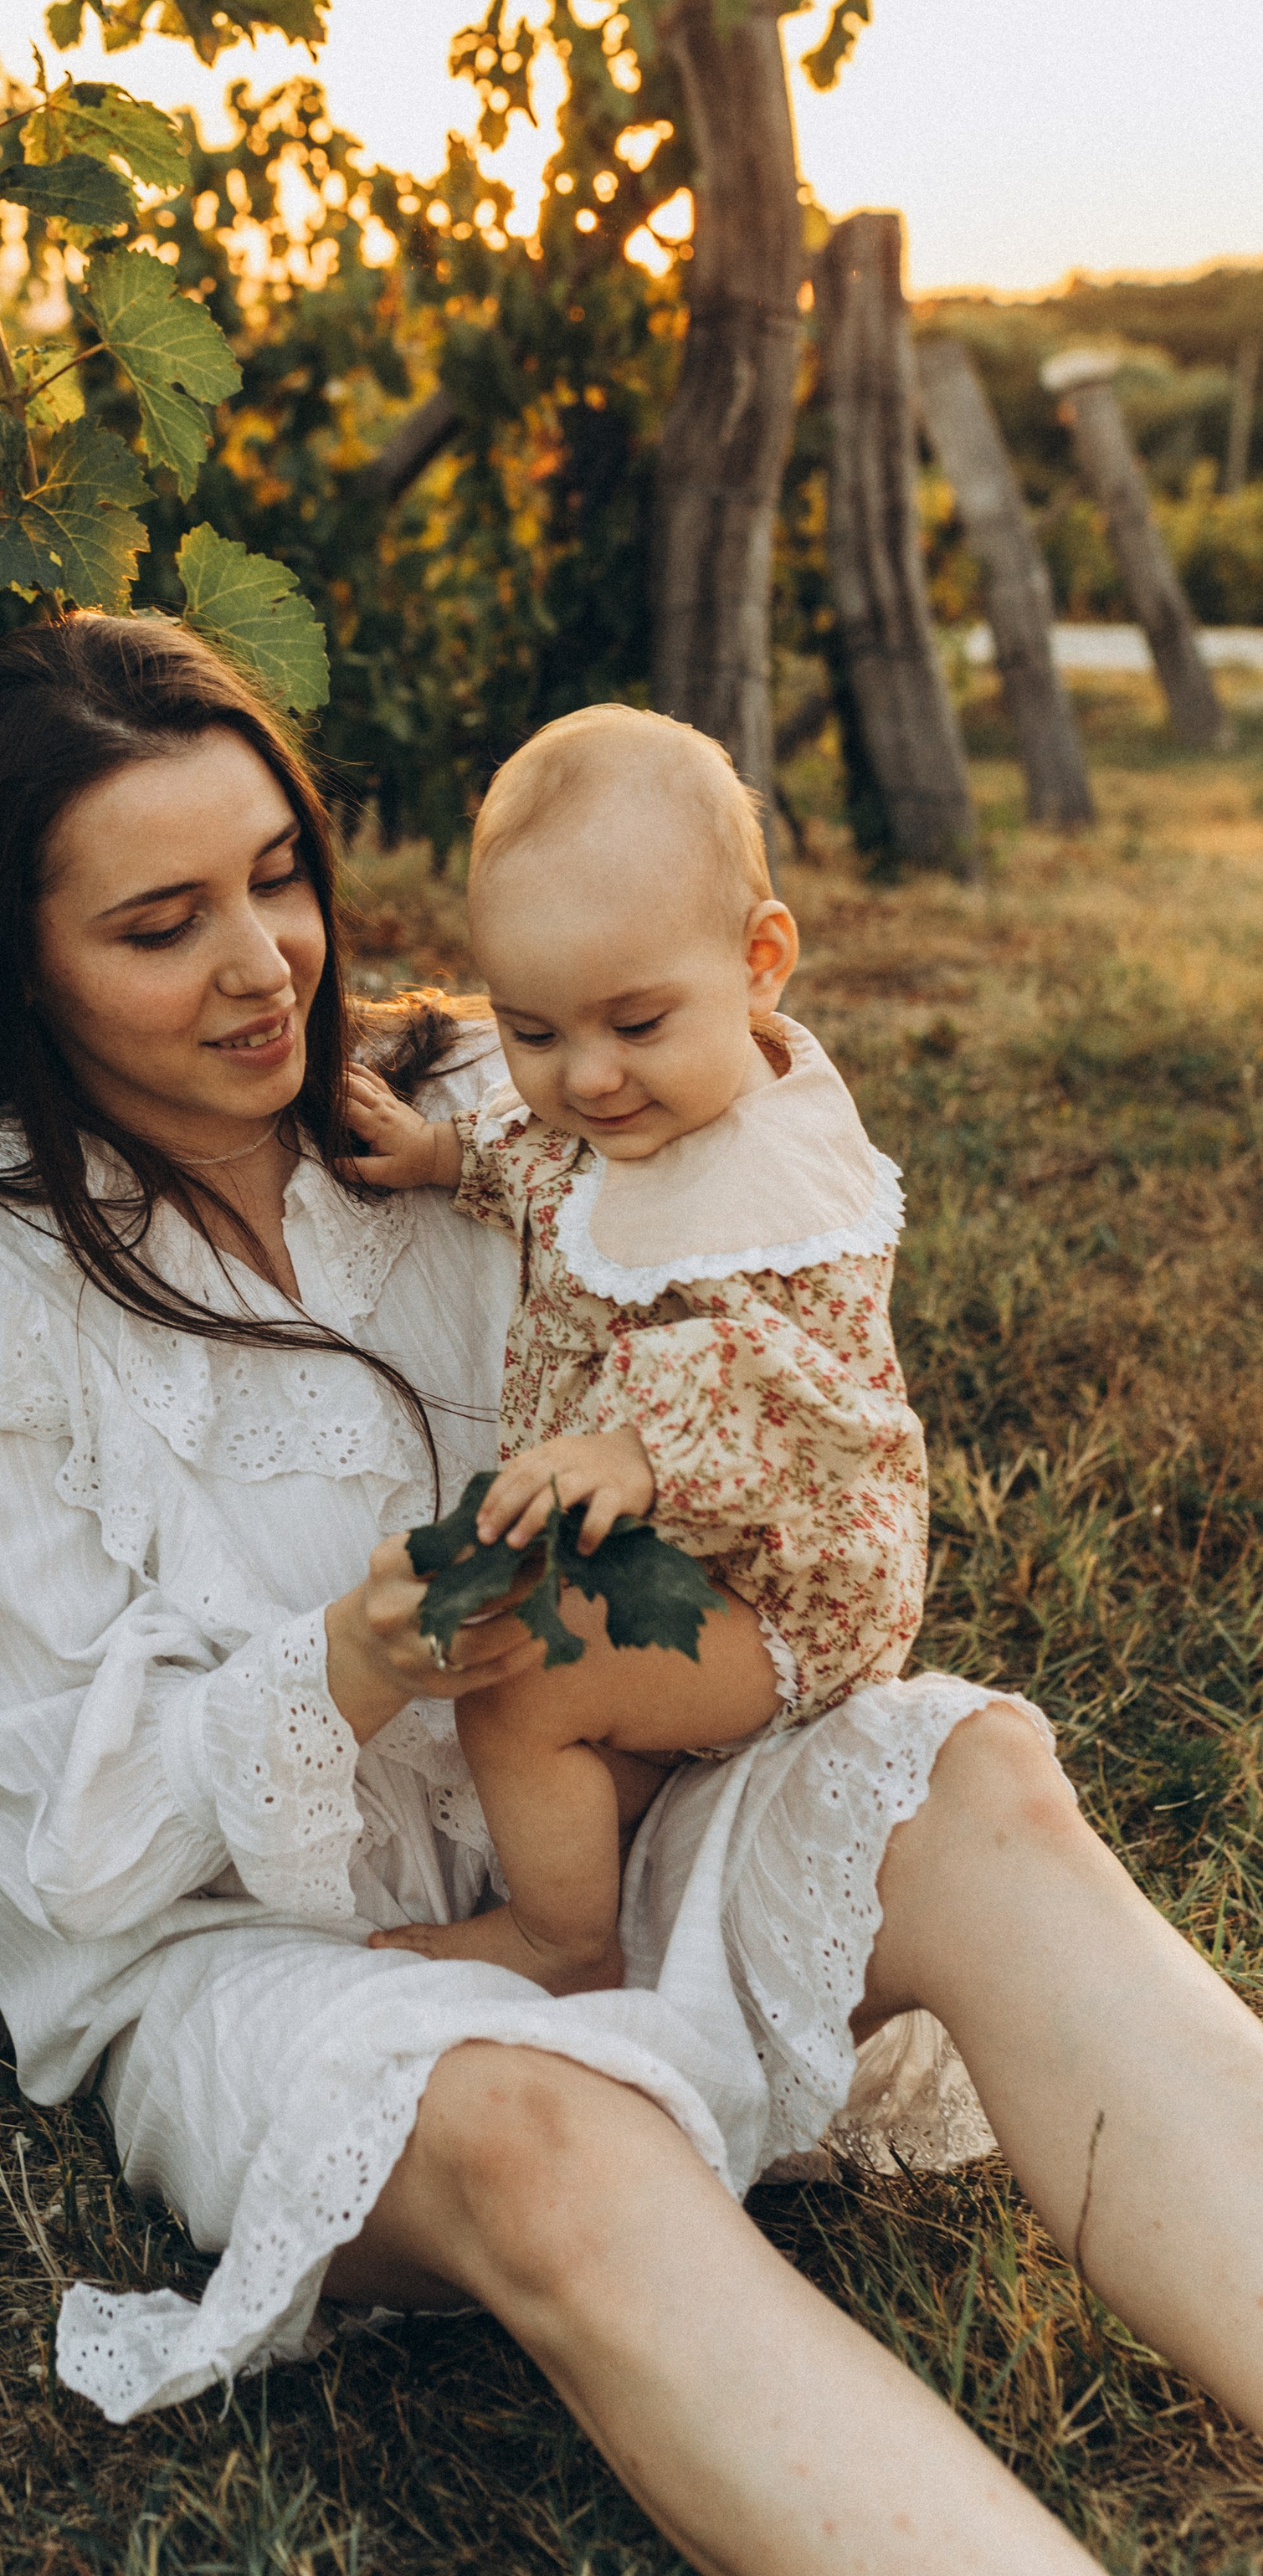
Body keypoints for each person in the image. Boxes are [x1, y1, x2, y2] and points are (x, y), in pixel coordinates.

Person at [0, 614, 1263, 2576]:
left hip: (614, 1810)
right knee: (562, 2139)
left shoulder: (484, 1096)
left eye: (277, 875)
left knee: (974, 1788)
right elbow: (52, 1851)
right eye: (157, 923)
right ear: (16, 961)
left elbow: (759, 1123)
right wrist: (352, 1663)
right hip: (278, 1971)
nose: (258, 969)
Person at [339, 706, 927, 1994]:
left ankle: (561, 1944)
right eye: (536, 1032)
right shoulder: (617, 1124)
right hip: (686, 1568)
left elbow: (789, 1387)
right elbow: (546, 1167)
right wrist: (444, 1157)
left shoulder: (780, 1183)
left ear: (762, 961)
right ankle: (637, 1841)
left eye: (636, 1024)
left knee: (515, 1684)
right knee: (575, 1741)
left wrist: (634, 1446)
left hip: (780, 1594)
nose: (590, 1079)